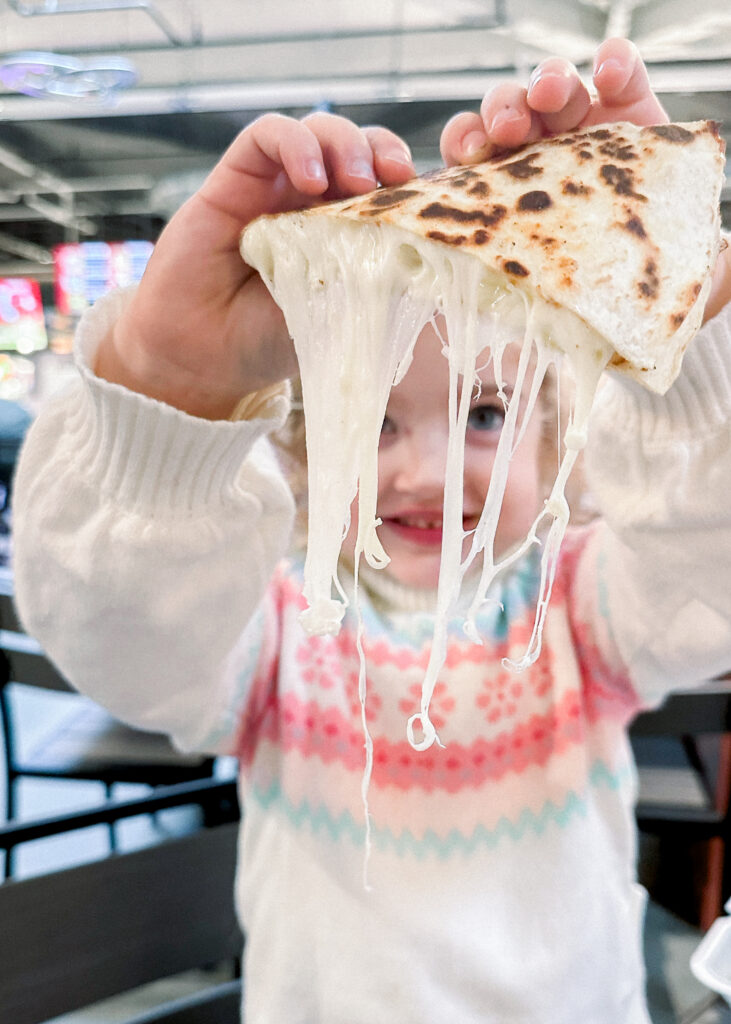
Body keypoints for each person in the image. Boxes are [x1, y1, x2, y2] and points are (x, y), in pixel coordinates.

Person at [11, 36, 731, 1024]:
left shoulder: (580, 610)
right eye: (370, 419)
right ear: (303, 452)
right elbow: (118, 635)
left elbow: (713, 571)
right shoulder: (273, 626)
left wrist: (677, 327)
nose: (427, 470)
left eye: (484, 413)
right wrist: (170, 383)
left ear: (552, 438)